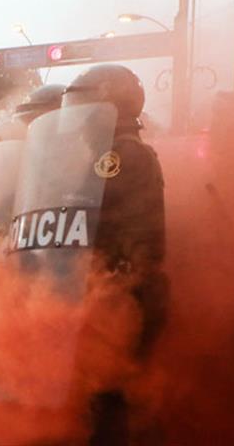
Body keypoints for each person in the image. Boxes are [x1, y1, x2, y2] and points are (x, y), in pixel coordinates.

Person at [62, 65, 168, 444]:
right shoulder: (117, 152)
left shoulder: (121, 155)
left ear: (110, 105)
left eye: (85, 106)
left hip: (124, 290)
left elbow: (83, 210)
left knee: (107, 393)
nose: (77, 119)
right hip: (117, 286)